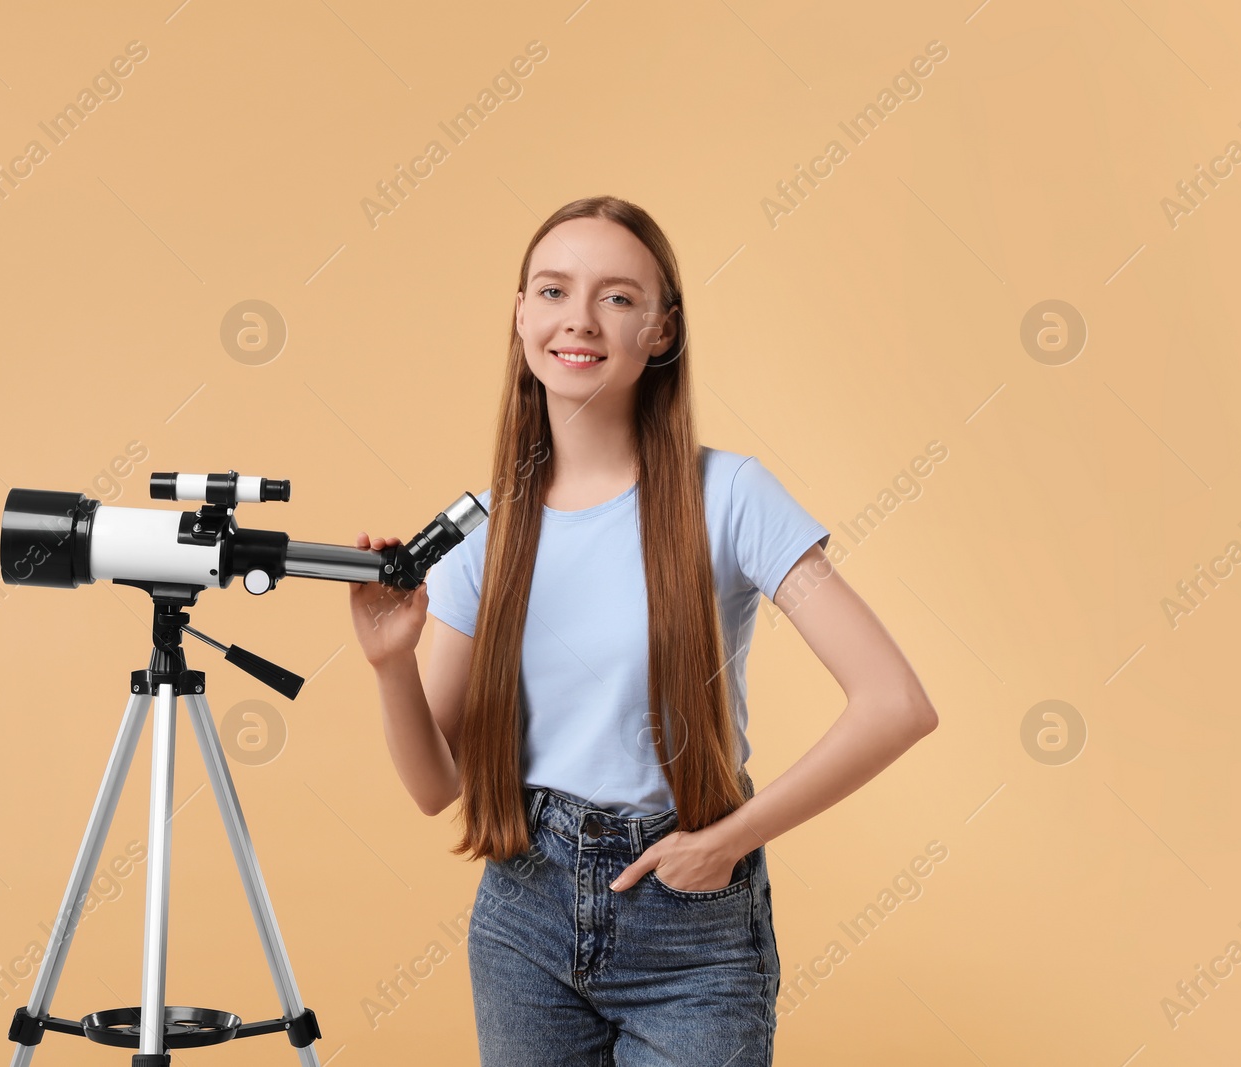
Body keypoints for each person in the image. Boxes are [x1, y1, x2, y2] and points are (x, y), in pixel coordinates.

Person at [346, 195, 937, 1066]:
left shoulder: (730, 496)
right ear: (520, 316)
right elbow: (437, 787)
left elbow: (896, 703)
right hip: (524, 919)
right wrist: (390, 664)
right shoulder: (487, 533)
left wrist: (728, 842)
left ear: (661, 331)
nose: (578, 319)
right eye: (552, 291)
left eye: (617, 298)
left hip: (690, 927)